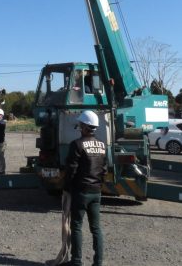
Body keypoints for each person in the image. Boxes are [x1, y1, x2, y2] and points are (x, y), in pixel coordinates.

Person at [63, 110, 106, 266]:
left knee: (76, 226)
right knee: (96, 228)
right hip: (96, 191)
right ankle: (98, 262)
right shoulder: (102, 145)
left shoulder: (77, 144)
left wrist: (66, 188)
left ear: (84, 126)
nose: (79, 126)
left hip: (81, 191)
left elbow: (71, 169)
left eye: (81, 124)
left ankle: (76, 261)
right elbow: (104, 169)